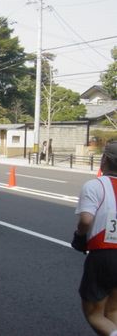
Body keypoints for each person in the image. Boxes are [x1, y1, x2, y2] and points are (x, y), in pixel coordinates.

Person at [71, 141, 117, 335]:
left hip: (103, 255)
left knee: (93, 314)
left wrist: (79, 236)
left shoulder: (95, 185)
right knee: (112, 310)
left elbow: (86, 220)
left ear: (104, 159)